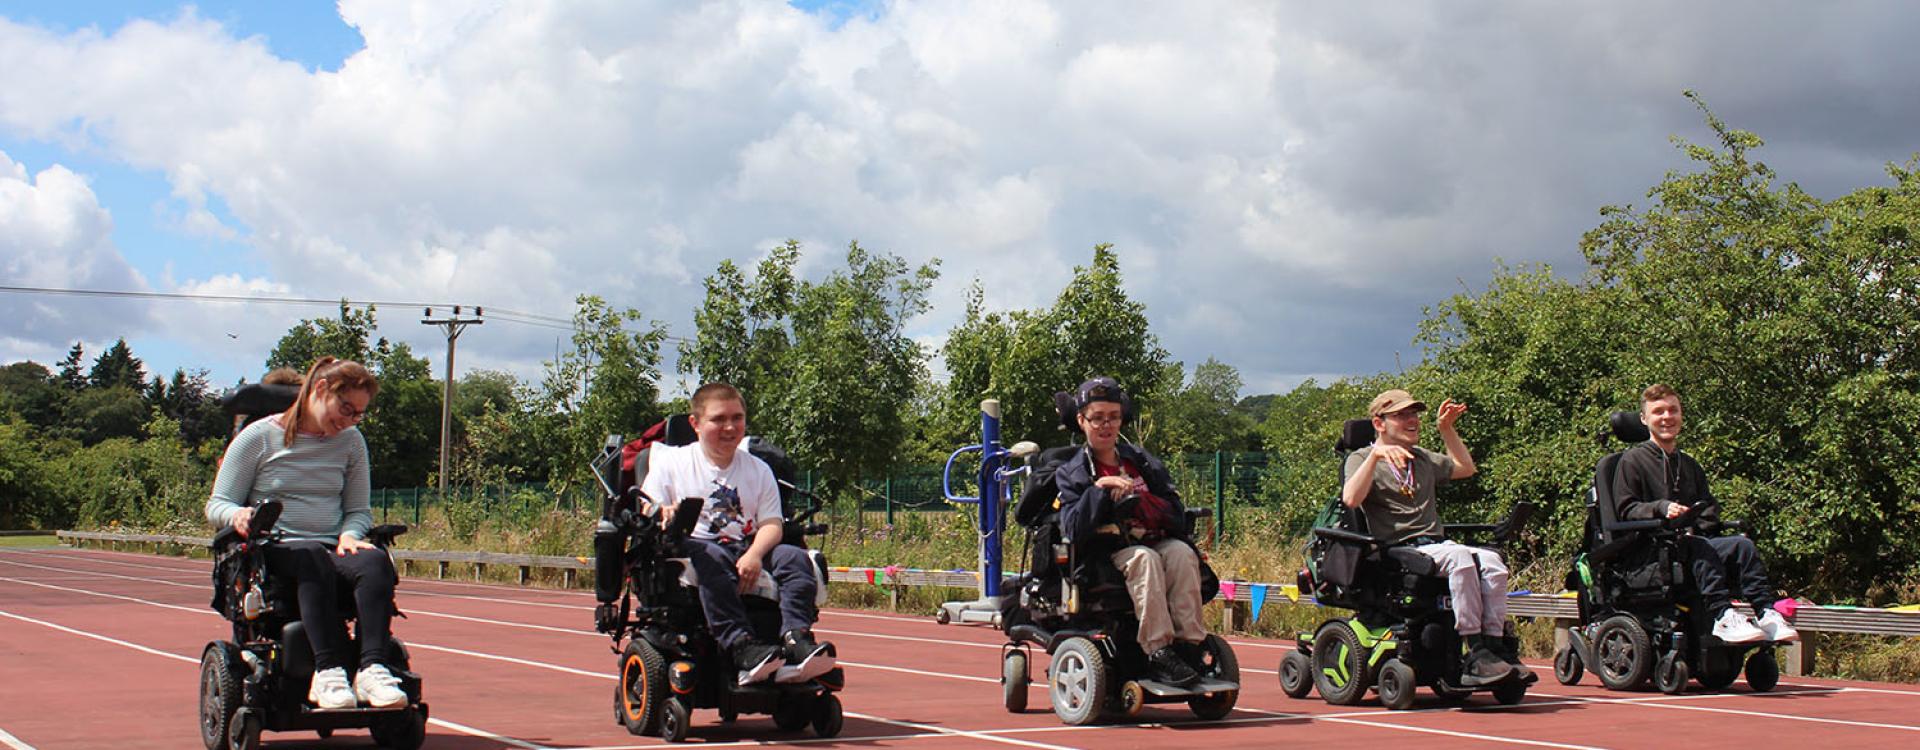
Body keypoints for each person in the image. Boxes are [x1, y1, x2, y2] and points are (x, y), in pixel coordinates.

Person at [204, 357, 406, 710]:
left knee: (374, 562)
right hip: (276, 548)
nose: (349, 421)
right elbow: (217, 504)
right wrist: (238, 514)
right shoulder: (258, 437)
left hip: (331, 546)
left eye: (358, 414)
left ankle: (372, 669)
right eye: (345, 409)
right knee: (311, 554)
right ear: (320, 389)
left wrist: (349, 534)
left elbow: (358, 510)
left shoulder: (351, 442)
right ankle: (327, 672)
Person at [640, 382, 831, 684]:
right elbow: (647, 508)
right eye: (718, 419)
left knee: (794, 558)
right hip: (695, 546)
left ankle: (796, 638)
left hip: (746, 545)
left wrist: (755, 554)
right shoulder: (672, 464)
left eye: (737, 418)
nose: (730, 427)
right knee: (711, 555)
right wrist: (662, 513)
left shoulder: (758, 469)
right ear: (696, 423)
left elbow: (771, 524)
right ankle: (741, 645)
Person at [1342, 389, 1530, 686]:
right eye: (1402, 415)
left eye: (1414, 414)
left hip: (1435, 545)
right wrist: (1376, 455)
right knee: (1461, 558)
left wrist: (1447, 429)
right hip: (1398, 548)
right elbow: (1351, 498)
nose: (1412, 420)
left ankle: (1494, 645)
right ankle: (1474, 647)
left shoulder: (1421, 458)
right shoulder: (1361, 457)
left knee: (1493, 561)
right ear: (1380, 423)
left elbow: (1466, 468)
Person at [1054, 377, 1209, 689]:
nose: (1106, 425)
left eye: (1113, 417)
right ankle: (1159, 651)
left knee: (1181, 554)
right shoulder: (1073, 471)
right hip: (1105, 551)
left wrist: (1147, 505)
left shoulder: (1140, 461)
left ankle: (1190, 645)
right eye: (1097, 418)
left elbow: (1174, 507)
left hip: (1154, 537)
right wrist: (1100, 488)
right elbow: (1071, 526)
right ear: (1082, 421)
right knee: (1145, 559)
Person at [1613, 383, 1796, 643]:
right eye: (1659, 412)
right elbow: (1626, 509)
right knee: (1698, 546)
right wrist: (1662, 508)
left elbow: (1708, 507)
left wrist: (1697, 520)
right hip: (1651, 551)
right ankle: (1722, 614)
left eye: (1673, 410)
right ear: (1644, 419)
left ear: (1681, 415)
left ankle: (1766, 611)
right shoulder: (1631, 461)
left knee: (1741, 546)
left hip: (1690, 544)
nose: (1667, 417)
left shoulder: (1689, 465)